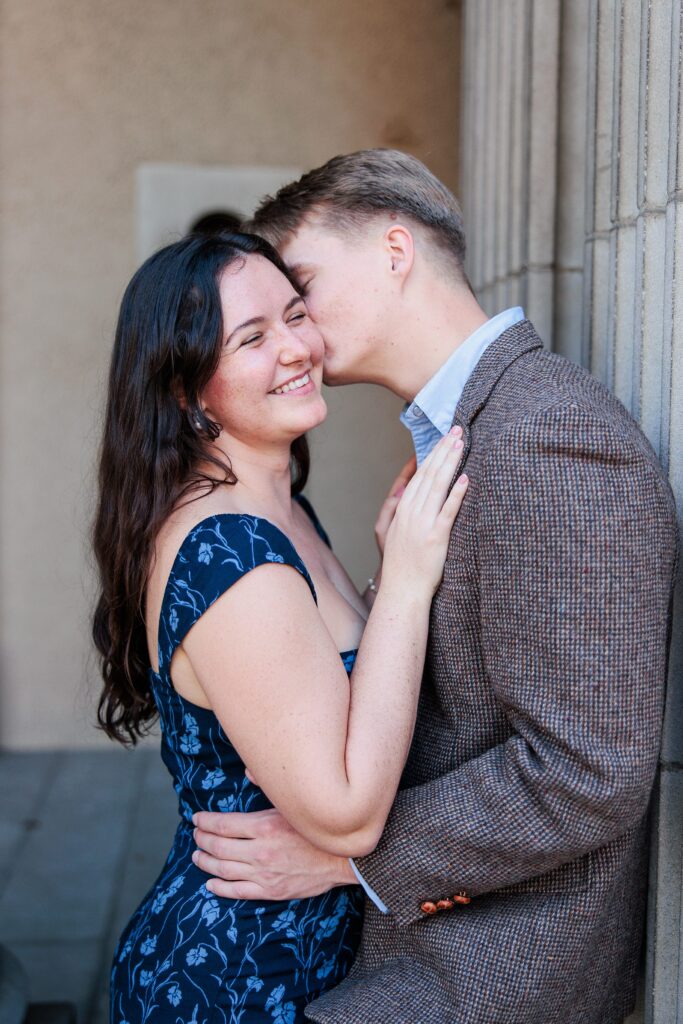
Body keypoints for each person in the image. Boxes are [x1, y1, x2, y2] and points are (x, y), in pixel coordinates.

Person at [191, 150, 679, 1024]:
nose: (295, 331)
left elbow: (586, 774)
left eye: (301, 288)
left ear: (393, 249)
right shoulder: (468, 433)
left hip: (482, 979)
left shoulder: (549, 437)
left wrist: (350, 861)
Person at [92, 230, 469, 1024]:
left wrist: (377, 578)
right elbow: (348, 810)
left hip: (296, 960)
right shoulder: (230, 551)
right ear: (187, 391)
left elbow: (327, 689)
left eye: (296, 314)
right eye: (253, 337)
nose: (297, 347)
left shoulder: (279, 506)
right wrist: (404, 584)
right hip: (233, 981)